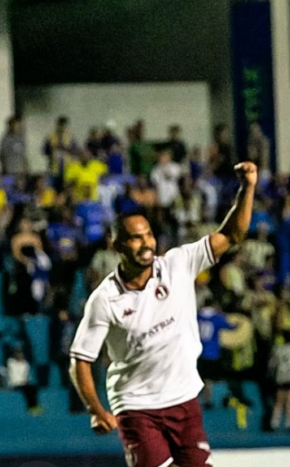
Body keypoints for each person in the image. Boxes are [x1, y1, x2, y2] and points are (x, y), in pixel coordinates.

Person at [69, 162, 257, 467]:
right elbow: (81, 359)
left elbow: (232, 234)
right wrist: (95, 409)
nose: (146, 244)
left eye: (148, 235)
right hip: (136, 404)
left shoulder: (177, 264)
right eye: (135, 238)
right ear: (117, 245)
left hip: (183, 398)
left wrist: (247, 188)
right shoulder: (105, 299)